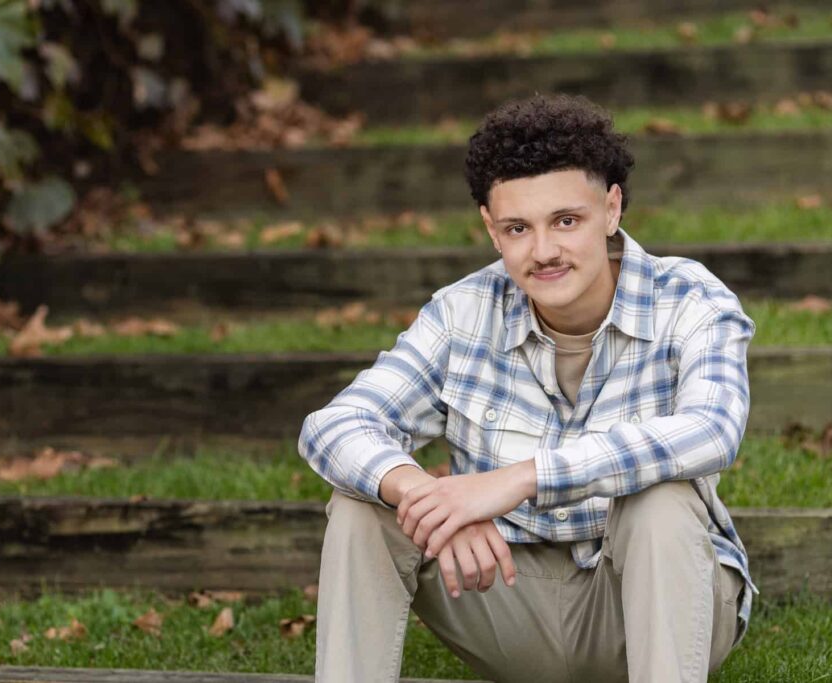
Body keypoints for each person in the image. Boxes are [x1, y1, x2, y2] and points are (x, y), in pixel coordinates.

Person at [298, 93, 756, 683]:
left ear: (612, 208)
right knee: (364, 504)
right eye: (518, 228)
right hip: (506, 597)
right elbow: (333, 425)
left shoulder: (690, 299)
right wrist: (425, 494)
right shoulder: (462, 311)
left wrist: (514, 481)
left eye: (567, 221)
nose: (543, 252)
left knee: (660, 499)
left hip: (653, 601)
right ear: (491, 229)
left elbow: (714, 429)